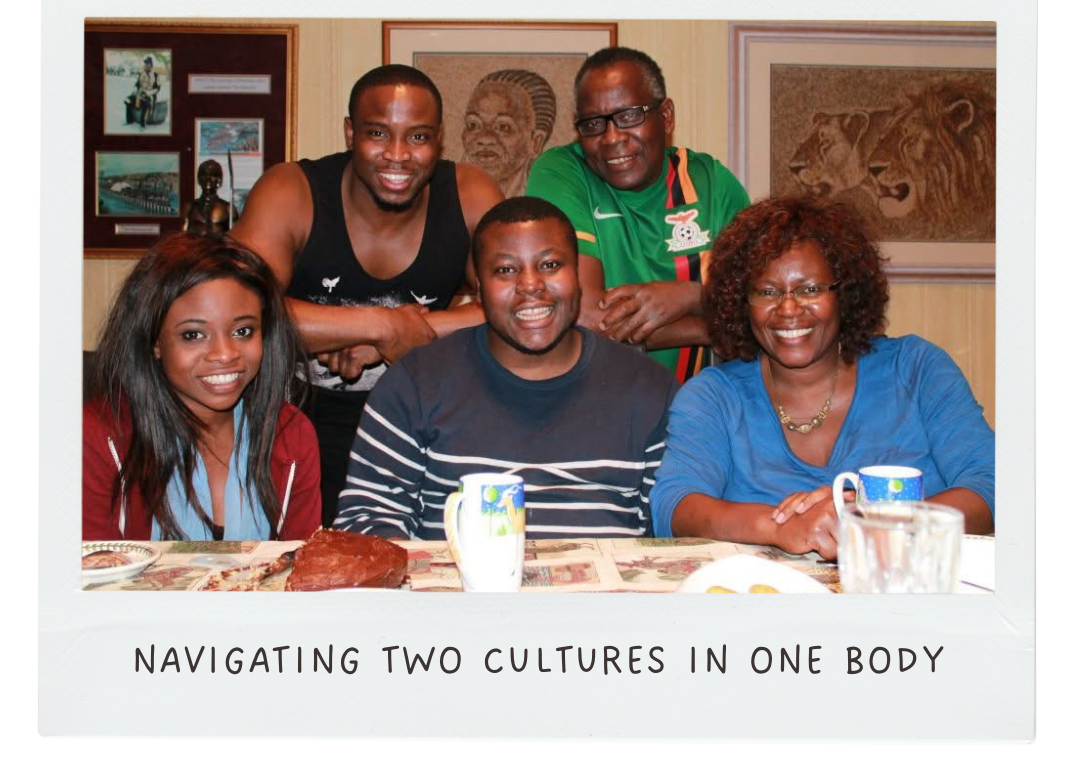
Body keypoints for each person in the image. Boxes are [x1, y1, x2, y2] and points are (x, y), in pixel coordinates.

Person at [232, 64, 503, 525]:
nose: (397, 155)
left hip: (425, 416)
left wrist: (405, 333)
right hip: (295, 419)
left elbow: (517, 306)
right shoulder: (291, 190)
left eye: (418, 137)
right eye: (378, 133)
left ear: (439, 140)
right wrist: (378, 325)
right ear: (350, 133)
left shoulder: (470, 193)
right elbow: (237, 309)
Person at [650, 198, 995, 559]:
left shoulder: (917, 370)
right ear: (741, 302)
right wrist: (779, 527)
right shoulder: (713, 396)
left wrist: (879, 520)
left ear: (844, 293)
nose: (788, 308)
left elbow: (992, 485)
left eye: (810, 289)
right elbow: (674, 507)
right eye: (767, 292)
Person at [333, 197, 680, 539]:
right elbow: (367, 518)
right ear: (479, 290)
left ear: (577, 277)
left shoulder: (649, 389)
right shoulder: (414, 384)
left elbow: (671, 528)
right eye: (505, 270)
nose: (530, 285)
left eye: (549, 265)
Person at [526, 47, 750, 383]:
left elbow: (761, 304)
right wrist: (713, 327)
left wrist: (689, 295)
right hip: (596, 397)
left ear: (667, 116)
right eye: (593, 124)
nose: (611, 138)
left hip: (701, 400)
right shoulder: (563, 172)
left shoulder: (711, 183)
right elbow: (585, 317)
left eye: (629, 116)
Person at [83, 234, 321, 541]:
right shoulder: (96, 441)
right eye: (193, 335)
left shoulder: (291, 435)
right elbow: (88, 567)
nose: (225, 354)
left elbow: (303, 565)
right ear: (155, 341)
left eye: (243, 331)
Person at [461, 69, 556, 197]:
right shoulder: (448, 197)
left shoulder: (550, 199)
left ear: (536, 142)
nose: (484, 138)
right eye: (473, 125)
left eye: (503, 127)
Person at [183, 159, 238, 234]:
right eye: (204, 174)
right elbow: (182, 235)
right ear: (199, 179)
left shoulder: (229, 209)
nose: (208, 178)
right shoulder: (189, 207)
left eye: (213, 175)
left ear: (219, 180)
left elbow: (236, 236)